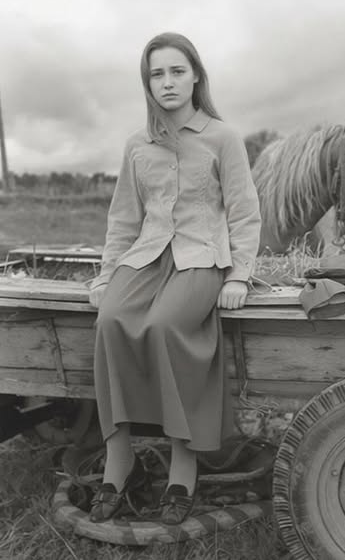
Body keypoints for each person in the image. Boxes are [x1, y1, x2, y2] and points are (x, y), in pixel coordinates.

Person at [87, 32, 261, 525]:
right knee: (110, 321)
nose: (167, 82)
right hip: (146, 256)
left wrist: (239, 276)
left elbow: (245, 212)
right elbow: (124, 218)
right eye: (156, 74)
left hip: (201, 257)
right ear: (147, 84)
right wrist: (107, 274)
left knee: (166, 326)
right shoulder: (137, 145)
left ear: (196, 76)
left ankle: (184, 467)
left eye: (177, 71)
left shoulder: (223, 137)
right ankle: (119, 460)